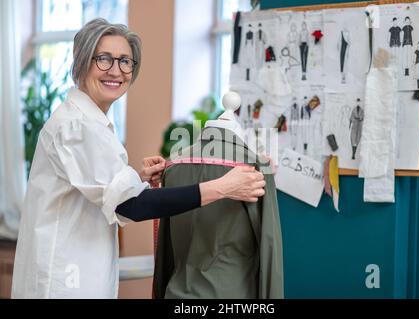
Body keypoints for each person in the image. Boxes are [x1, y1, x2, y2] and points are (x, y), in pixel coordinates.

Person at [11, 18, 266, 299]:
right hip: (64, 282)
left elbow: (96, 185)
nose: (116, 71)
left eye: (125, 61)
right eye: (104, 59)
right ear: (81, 64)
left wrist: (135, 176)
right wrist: (222, 188)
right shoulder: (77, 127)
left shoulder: (90, 123)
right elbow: (131, 205)